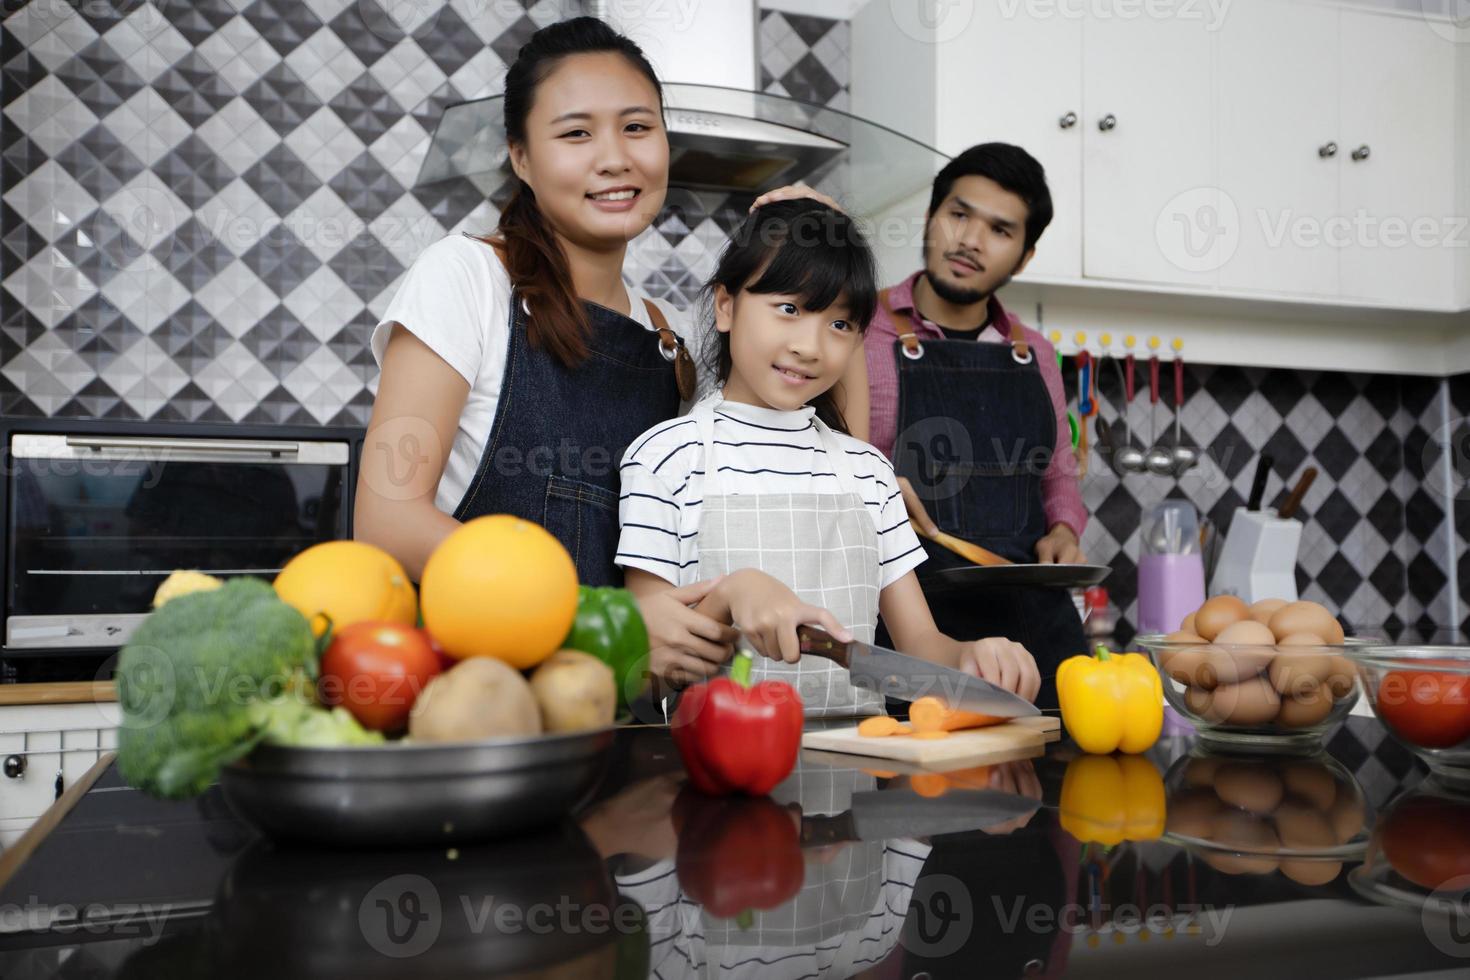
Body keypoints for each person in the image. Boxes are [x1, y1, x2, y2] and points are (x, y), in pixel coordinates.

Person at [357, 17, 827, 690]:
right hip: (481, 701)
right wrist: (602, 621)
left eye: (637, 127)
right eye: (576, 133)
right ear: (521, 155)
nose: (615, 157)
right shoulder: (465, 278)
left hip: (622, 717)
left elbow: (798, 466)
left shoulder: (671, 339)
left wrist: (822, 260)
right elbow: (387, 520)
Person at [616, 199, 1040, 713]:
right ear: (726, 306)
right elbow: (647, 676)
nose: (811, 346)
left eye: (840, 325)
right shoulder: (665, 460)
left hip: (854, 785)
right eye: (790, 309)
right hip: (708, 783)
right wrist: (732, 594)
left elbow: (924, 654)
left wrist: (977, 659)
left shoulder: (869, 473)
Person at [849, 143, 1089, 710]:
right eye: (959, 215)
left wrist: (1065, 529)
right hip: (910, 621)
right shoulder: (856, 328)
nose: (970, 241)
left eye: (1000, 230)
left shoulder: (1038, 354)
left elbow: (1057, 473)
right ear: (932, 217)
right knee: (923, 785)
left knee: (1062, 785)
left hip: (1033, 629)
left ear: (1025, 256)